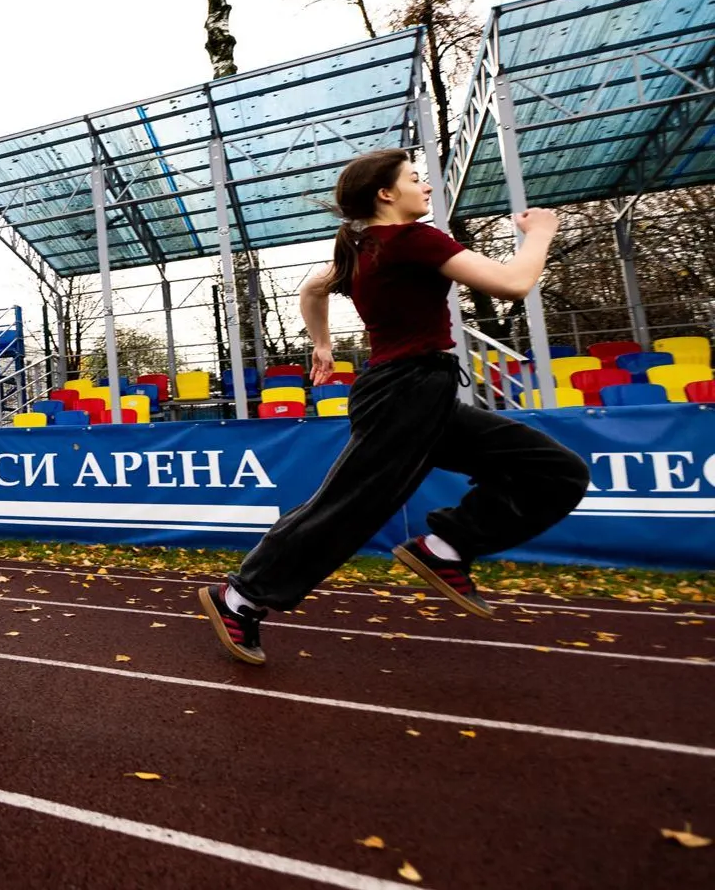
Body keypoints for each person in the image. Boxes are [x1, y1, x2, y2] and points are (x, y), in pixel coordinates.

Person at [200, 148, 591, 665]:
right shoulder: (411, 240)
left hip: (423, 393)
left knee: (555, 471)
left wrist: (322, 345)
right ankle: (241, 597)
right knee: (350, 506)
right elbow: (514, 283)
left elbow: (313, 289)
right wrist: (539, 232)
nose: (425, 186)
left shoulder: (362, 246)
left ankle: (446, 548)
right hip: (404, 393)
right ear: (386, 194)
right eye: (414, 178)